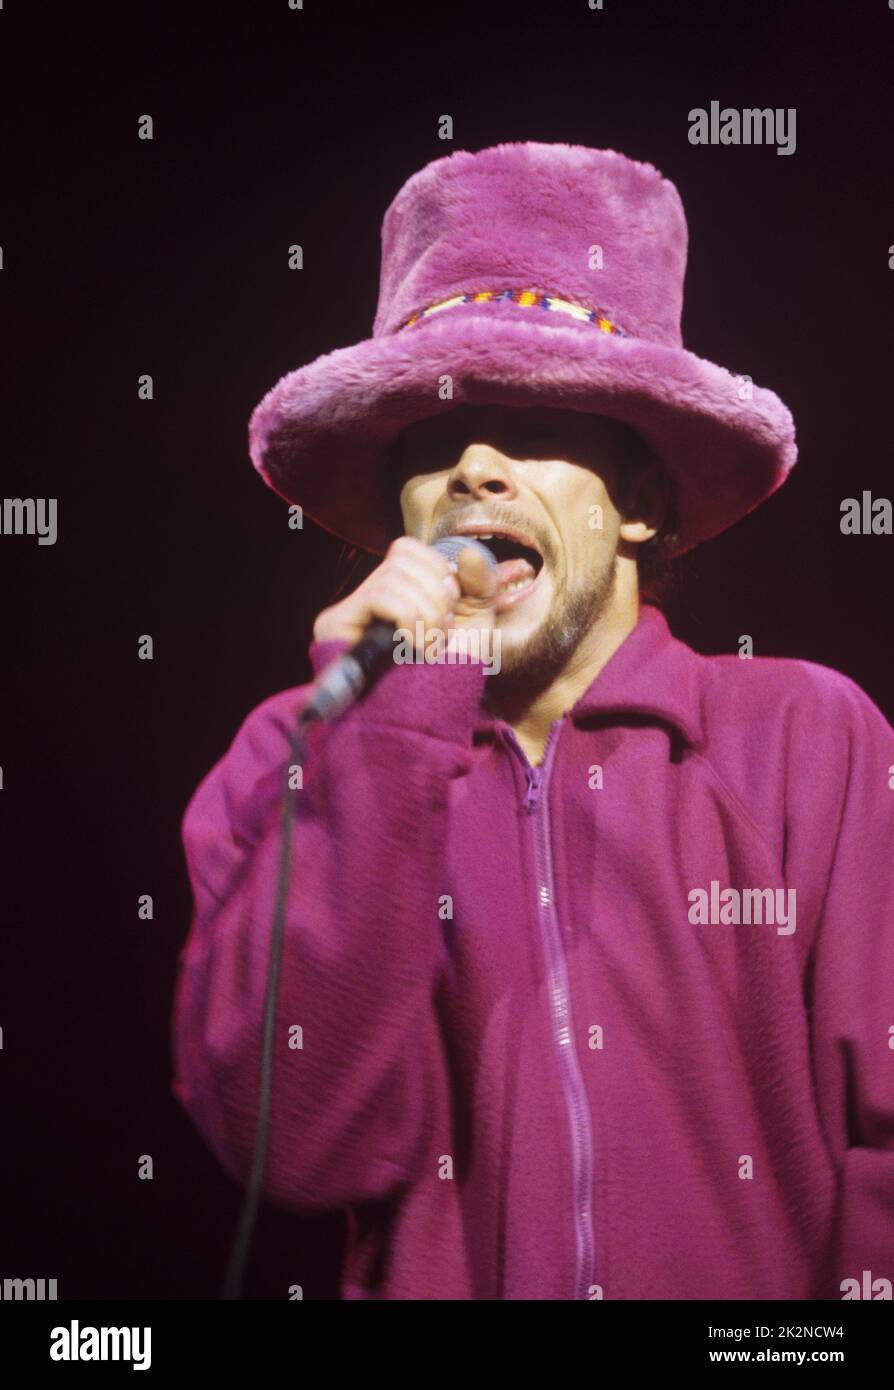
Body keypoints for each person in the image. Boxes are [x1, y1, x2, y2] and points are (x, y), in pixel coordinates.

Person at [171, 142, 894, 1300]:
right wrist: (390, 726)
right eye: (432, 439)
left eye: (535, 423)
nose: (476, 468)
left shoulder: (808, 735)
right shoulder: (293, 753)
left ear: (640, 505)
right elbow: (301, 1144)